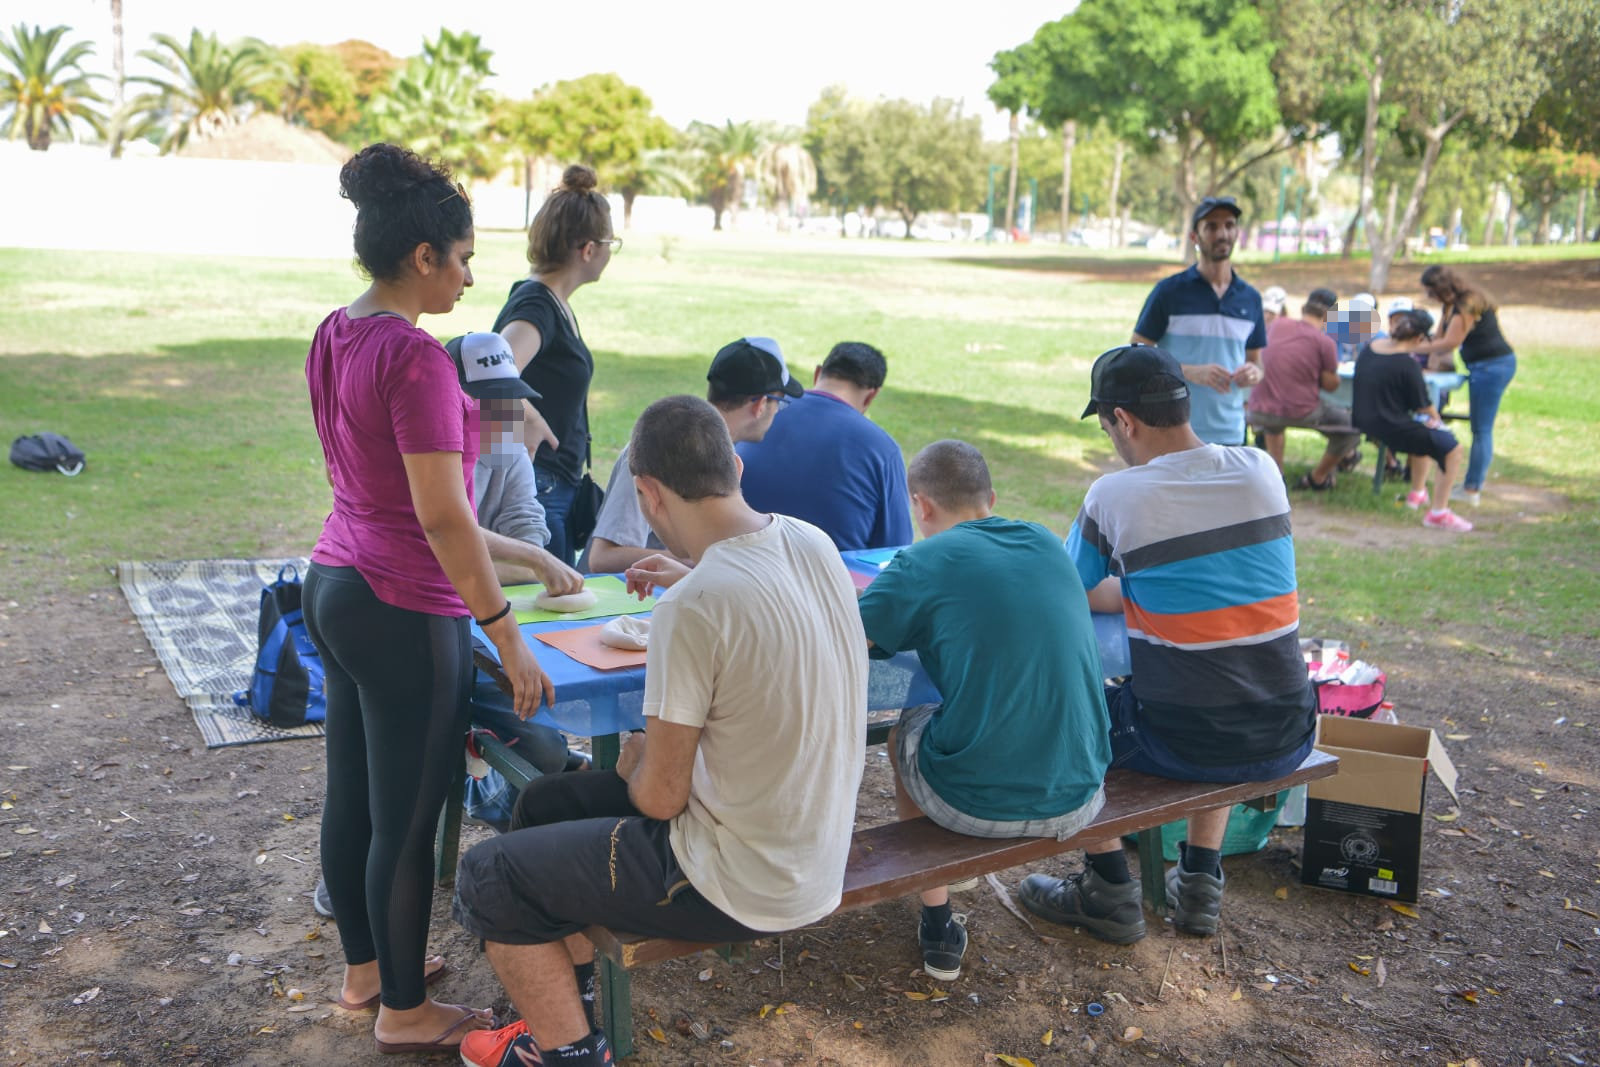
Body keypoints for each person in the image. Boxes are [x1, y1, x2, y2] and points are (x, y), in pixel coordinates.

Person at [452, 396, 868, 1067]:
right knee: (544, 804)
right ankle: (563, 1002)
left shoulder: (694, 606)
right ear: (733, 463)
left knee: (488, 876)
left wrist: (636, 758)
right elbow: (753, 593)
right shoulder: (810, 541)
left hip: (738, 879)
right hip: (811, 847)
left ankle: (573, 1053)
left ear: (646, 495)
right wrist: (694, 574)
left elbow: (657, 797)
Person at [302, 143, 553, 1055]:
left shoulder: (336, 329)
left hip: (334, 584)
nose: (470, 274)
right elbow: (445, 520)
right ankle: (403, 1011)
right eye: (464, 256)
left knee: (355, 795)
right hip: (403, 604)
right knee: (409, 817)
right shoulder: (416, 360)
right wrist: (507, 635)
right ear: (423, 257)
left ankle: (367, 971)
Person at [1018, 344, 1317, 943]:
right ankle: (1200, 877)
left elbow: (1061, 591)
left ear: (1122, 420)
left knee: (1059, 721)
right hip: (1289, 726)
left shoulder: (1116, 495)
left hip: (1186, 737)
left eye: (1107, 427)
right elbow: (1174, 582)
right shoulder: (1261, 468)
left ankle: (1106, 886)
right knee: (1222, 677)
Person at [857, 440, 1111, 980]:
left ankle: (938, 921)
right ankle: (1114, 881)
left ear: (921, 507)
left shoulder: (920, 560)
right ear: (990, 498)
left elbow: (855, 635)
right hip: (1083, 792)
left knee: (907, 725)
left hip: (978, 803)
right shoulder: (1045, 542)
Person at [580, 336, 802, 574]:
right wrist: (705, 560)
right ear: (761, 404)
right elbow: (602, 558)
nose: (778, 411)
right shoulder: (656, 448)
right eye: (779, 402)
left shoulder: (722, 450)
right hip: (617, 604)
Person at [493, 164, 619, 564]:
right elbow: (492, 370)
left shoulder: (552, 303)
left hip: (551, 482)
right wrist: (527, 415)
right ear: (588, 249)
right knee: (547, 610)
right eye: (610, 242)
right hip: (538, 485)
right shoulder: (536, 305)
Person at [736, 341, 913, 550]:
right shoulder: (882, 448)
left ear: (818, 373)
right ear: (871, 395)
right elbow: (895, 547)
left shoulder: (759, 413)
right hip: (831, 577)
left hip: (743, 561)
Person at [1131, 196, 1267, 446]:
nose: (1222, 233)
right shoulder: (1168, 292)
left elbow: (1257, 362)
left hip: (1231, 434)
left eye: (1229, 225)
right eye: (1211, 226)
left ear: (1237, 233)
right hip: (1175, 433)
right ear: (1195, 236)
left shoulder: (1251, 299)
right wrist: (1190, 372)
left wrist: (1253, 372)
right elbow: (1137, 357)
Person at [1352, 310, 1474, 533]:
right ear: (1419, 339)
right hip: (1390, 426)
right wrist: (1440, 424)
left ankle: (1418, 492)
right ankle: (1439, 512)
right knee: (1451, 448)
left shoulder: (1370, 349)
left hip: (1363, 419)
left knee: (1425, 434)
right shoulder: (1406, 365)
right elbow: (1424, 406)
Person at [1412, 265, 1516, 507]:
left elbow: (1451, 342)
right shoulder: (1450, 306)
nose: (1429, 296)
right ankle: (1470, 486)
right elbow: (1438, 338)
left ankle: (1471, 489)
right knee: (1480, 427)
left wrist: (1412, 348)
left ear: (1441, 288)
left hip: (1492, 367)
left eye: (1431, 291)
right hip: (1482, 367)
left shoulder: (1467, 304)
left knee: (1481, 429)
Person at [1246, 288, 1360, 489]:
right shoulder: (1324, 342)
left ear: (1303, 308)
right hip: (1299, 411)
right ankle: (1318, 478)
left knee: (1275, 419)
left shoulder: (1276, 325)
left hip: (1259, 408)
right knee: (1350, 428)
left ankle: (1276, 475)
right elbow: (1330, 385)